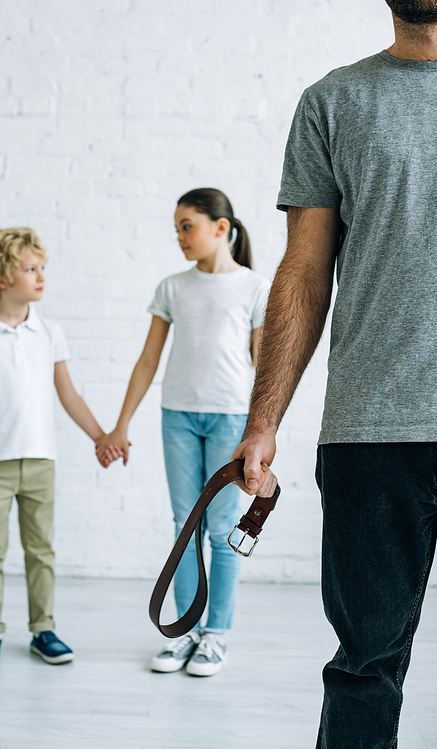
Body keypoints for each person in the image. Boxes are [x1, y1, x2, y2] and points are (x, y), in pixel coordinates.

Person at [231, 0, 437, 745]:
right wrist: (263, 422)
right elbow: (305, 271)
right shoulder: (334, 101)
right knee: (366, 665)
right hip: (372, 432)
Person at [96, 188, 270, 676]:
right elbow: (148, 359)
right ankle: (185, 631)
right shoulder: (172, 287)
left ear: (221, 228)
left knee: (220, 530)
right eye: (175, 228)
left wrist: (263, 429)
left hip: (231, 420)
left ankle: (216, 635)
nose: (179, 237)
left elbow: (263, 366)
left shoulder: (255, 288)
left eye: (187, 225)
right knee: (182, 526)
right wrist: (121, 424)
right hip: (176, 416)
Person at [0, 227, 121, 668]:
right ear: (1, 277)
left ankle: (42, 629)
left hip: (41, 462)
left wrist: (101, 437)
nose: (41, 276)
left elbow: (68, 394)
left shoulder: (49, 332)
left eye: (42, 267)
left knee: (40, 551)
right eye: (31, 269)